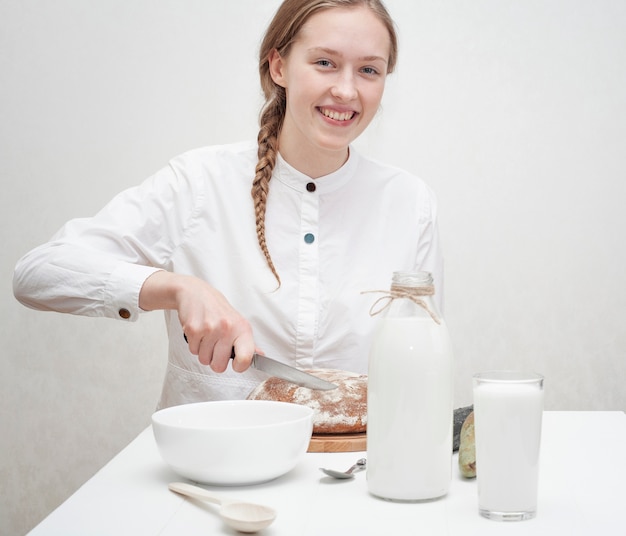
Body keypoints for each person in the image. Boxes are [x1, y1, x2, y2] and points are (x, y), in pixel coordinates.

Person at [13, 0, 443, 409]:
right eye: (324, 62)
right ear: (279, 66)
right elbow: (38, 273)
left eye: (369, 69)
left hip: (353, 473)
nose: (346, 90)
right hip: (206, 468)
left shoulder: (411, 203)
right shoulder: (199, 182)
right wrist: (177, 288)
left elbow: (424, 362)